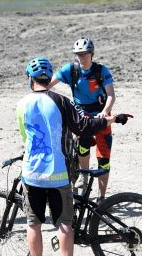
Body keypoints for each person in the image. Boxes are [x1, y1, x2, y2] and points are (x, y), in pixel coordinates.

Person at [16, 57, 128, 256]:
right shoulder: (60, 101)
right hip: (57, 172)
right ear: (49, 78)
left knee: (33, 223)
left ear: (30, 78)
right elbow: (82, 126)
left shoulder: (21, 104)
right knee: (64, 223)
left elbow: (25, 137)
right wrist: (110, 121)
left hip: (31, 171)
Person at [47, 38, 116, 199]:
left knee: (104, 157)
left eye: (85, 55)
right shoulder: (71, 70)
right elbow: (49, 84)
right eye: (78, 55)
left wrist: (105, 111)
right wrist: (39, 93)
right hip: (81, 114)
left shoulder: (101, 71)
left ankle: (101, 198)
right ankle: (83, 175)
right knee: (83, 145)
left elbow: (111, 95)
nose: (82, 58)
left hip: (100, 114)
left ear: (92, 54)